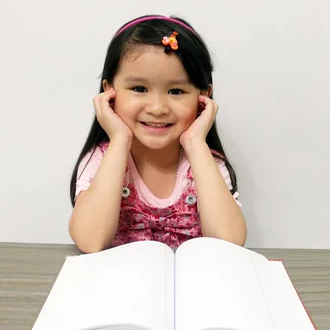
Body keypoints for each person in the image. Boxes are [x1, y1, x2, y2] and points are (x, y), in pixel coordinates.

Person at [69, 14, 247, 253]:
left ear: (203, 97)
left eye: (176, 91)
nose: (157, 108)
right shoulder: (101, 160)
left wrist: (195, 143)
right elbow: (91, 241)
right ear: (109, 91)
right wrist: (120, 140)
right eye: (139, 88)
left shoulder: (207, 163)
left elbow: (229, 243)